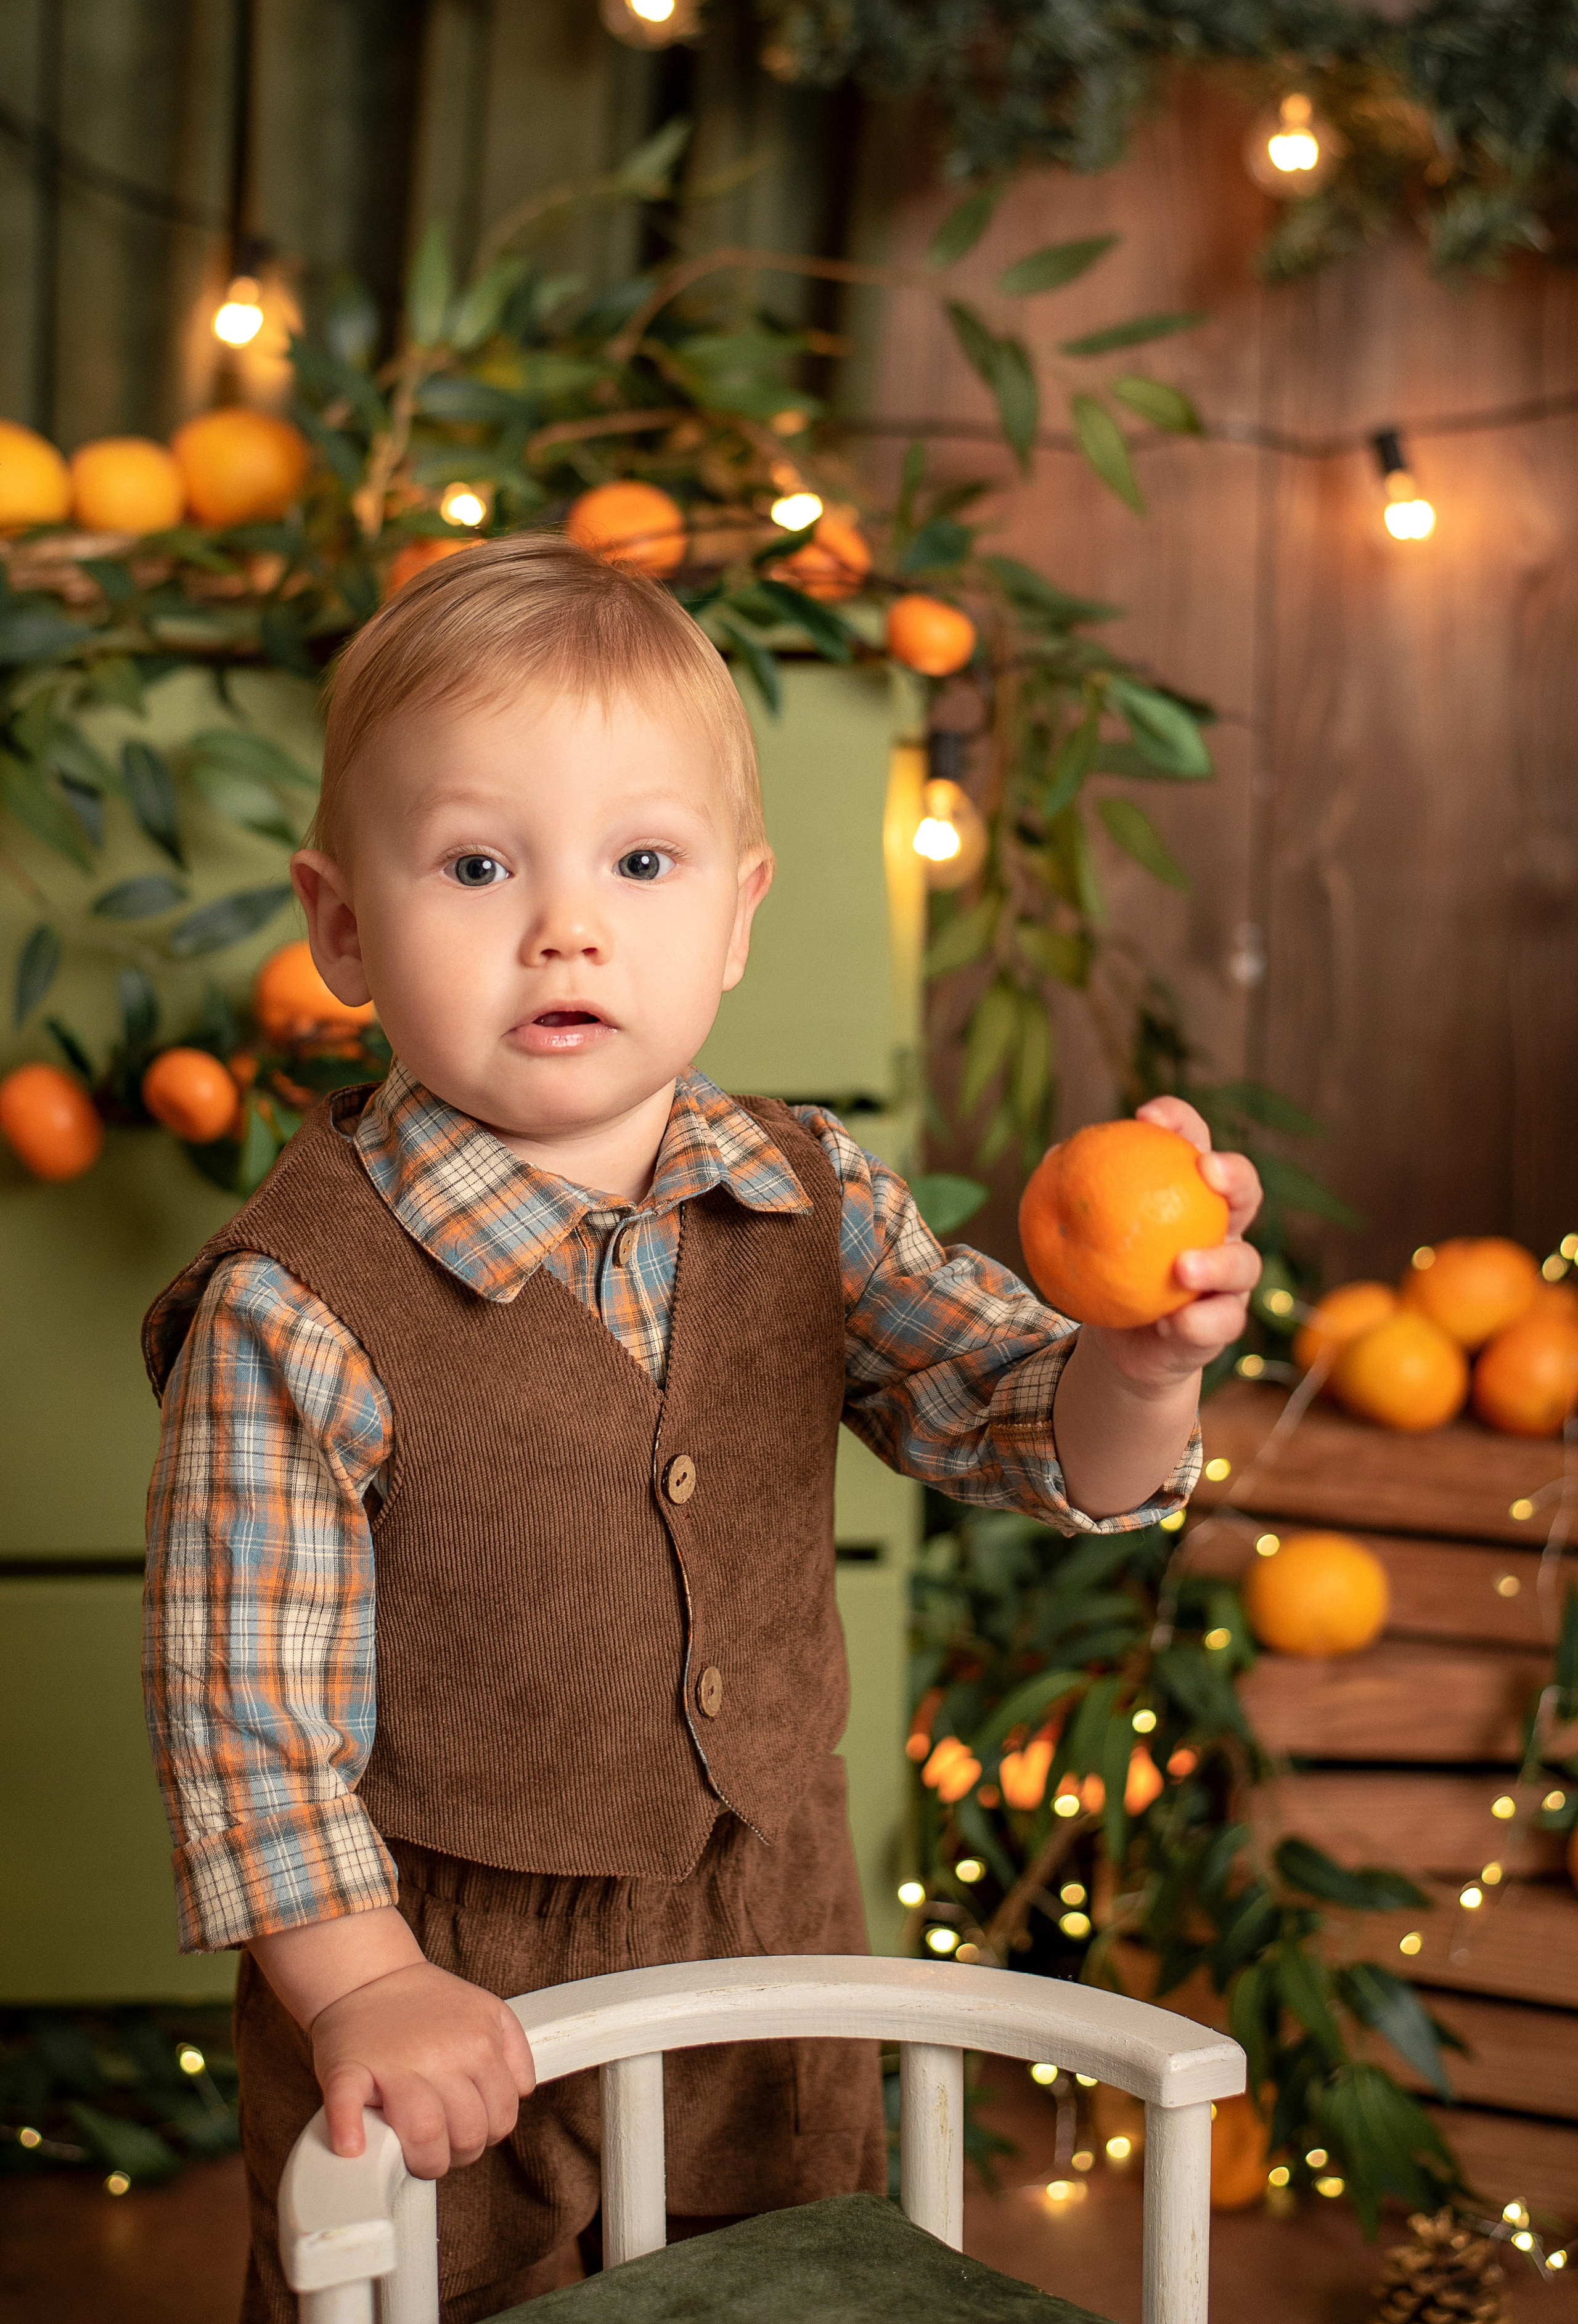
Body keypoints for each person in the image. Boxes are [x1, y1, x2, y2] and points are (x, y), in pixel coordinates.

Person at [142, 534, 1262, 2322]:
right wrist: (361, 1986)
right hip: (449, 1964)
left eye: (640, 861)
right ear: (344, 925)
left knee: (781, 2287)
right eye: (479, 863)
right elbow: (247, 1711)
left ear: (738, 914)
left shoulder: (811, 1197)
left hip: (772, 1931)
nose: (565, 924)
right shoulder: (300, 1303)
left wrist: (1142, 1368)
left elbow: (1016, 1428)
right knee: (437, 2297)